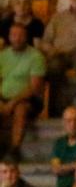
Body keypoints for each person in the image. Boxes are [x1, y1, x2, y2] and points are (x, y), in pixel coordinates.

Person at [0, 22, 45, 158]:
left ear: (26, 37)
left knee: (20, 109)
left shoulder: (36, 56)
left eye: (20, 35)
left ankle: (15, 148)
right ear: (9, 37)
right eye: (14, 35)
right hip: (4, 98)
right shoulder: (2, 56)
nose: (17, 38)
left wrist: (13, 102)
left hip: (28, 100)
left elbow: (35, 87)